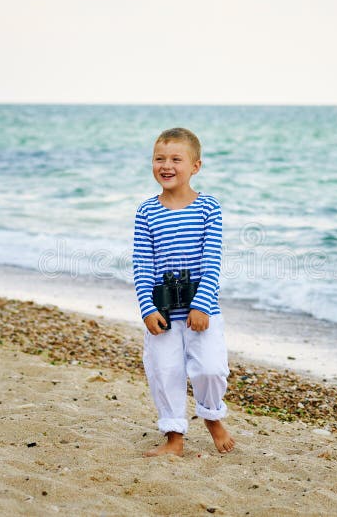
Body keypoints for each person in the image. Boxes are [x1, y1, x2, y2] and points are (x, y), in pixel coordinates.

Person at [132, 127, 235, 457]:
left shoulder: (208, 207)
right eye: (159, 158)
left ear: (195, 166)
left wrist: (203, 305)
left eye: (176, 159)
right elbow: (142, 264)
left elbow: (212, 259)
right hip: (163, 311)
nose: (167, 165)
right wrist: (147, 308)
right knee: (164, 372)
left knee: (210, 369)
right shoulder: (147, 211)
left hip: (201, 309)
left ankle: (211, 416)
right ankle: (174, 437)